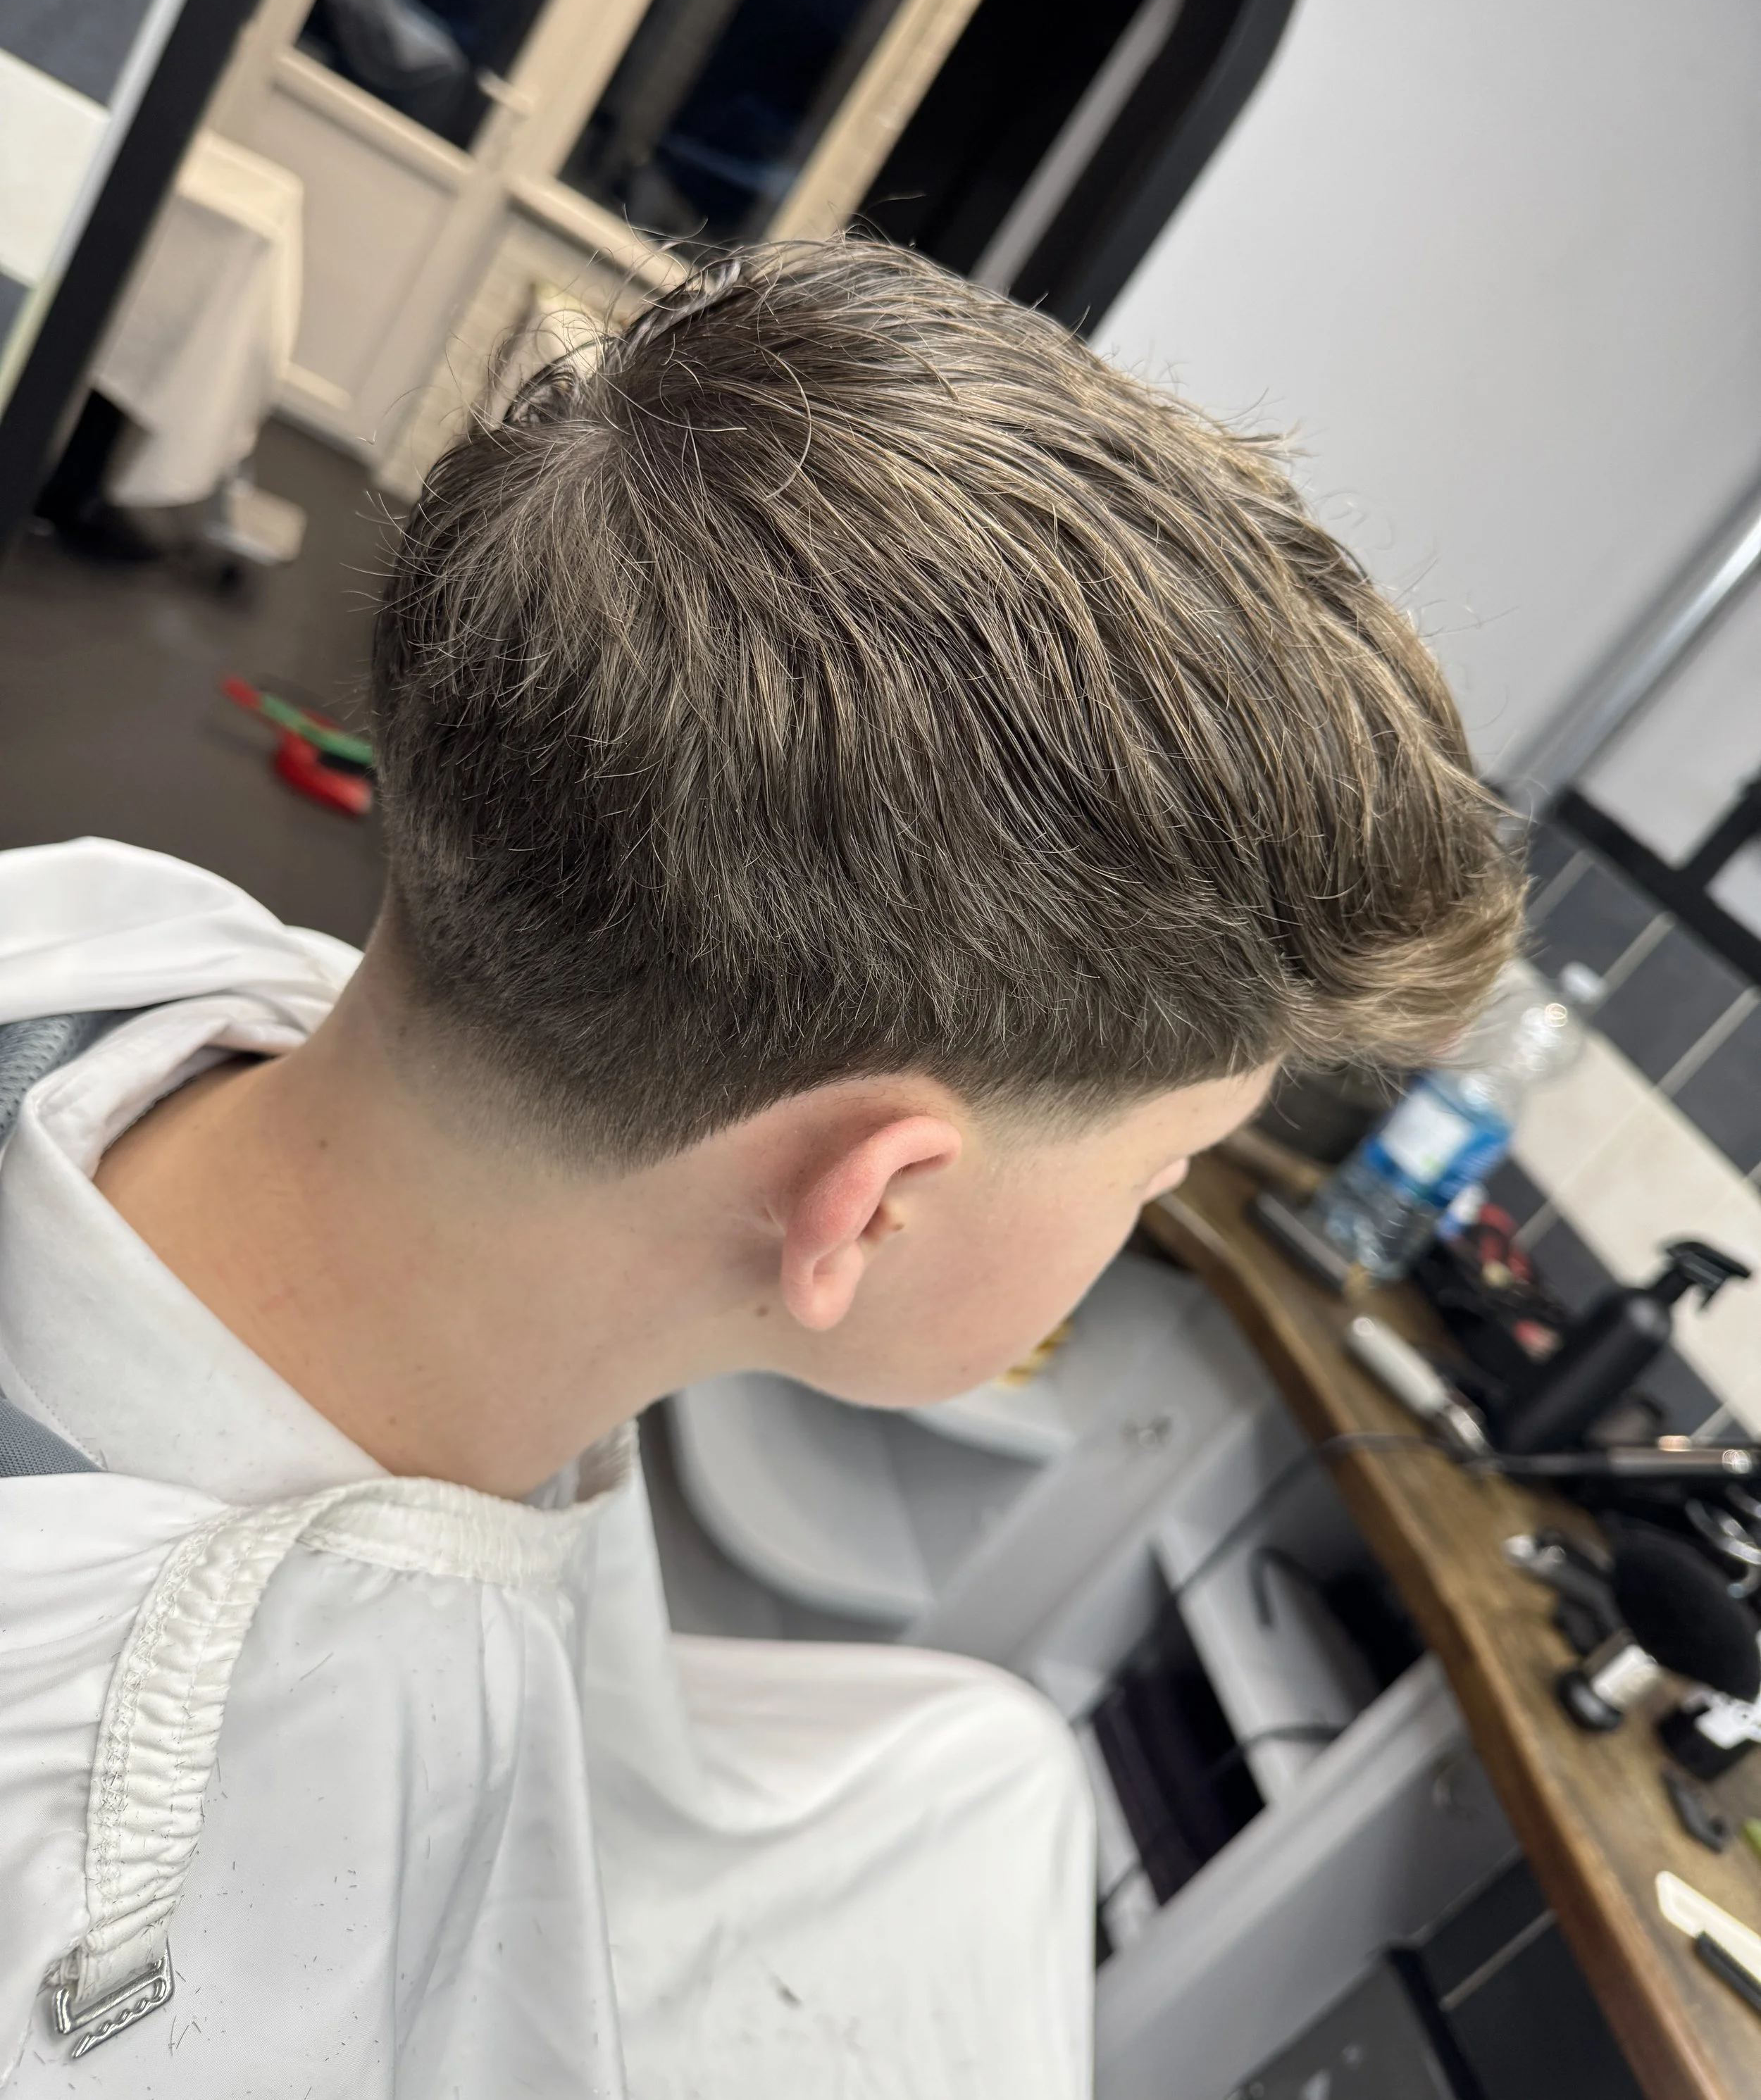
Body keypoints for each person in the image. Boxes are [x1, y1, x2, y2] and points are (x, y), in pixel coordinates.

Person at [0, 241, 1520, 2097]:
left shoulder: (115, 934)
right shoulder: (127, 1959)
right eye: (1165, 1168)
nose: (1154, 1209)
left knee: (992, 1773)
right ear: (868, 1205)